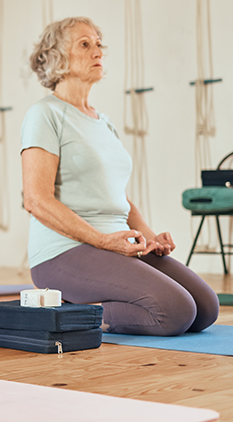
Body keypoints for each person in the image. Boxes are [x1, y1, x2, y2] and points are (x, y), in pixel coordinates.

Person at [21, 17, 219, 336]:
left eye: (99, 43)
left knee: (206, 308)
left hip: (114, 245)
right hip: (62, 252)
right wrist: (102, 240)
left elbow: (118, 198)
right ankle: (75, 313)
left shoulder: (104, 122)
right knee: (175, 311)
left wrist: (150, 238)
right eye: (85, 44)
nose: (97, 50)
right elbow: (36, 200)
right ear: (56, 56)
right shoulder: (44, 115)